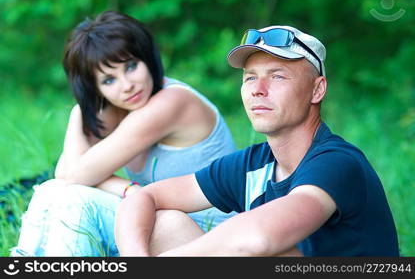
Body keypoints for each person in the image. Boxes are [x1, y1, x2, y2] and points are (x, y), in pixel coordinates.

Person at [115, 25, 400, 256]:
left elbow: (257, 238)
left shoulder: (337, 162)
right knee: (166, 224)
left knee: (253, 245)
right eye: (250, 78)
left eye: (277, 76)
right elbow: (145, 197)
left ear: (317, 90)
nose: (258, 91)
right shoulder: (254, 164)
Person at [10, 11, 237, 256]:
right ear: (95, 89)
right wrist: (81, 110)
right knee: (51, 191)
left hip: (206, 236)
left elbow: (76, 176)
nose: (126, 84)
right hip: (158, 221)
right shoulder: (121, 109)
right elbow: (65, 174)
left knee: (78, 201)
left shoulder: (172, 101)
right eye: (109, 80)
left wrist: (128, 190)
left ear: (146, 58)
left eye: (130, 66)